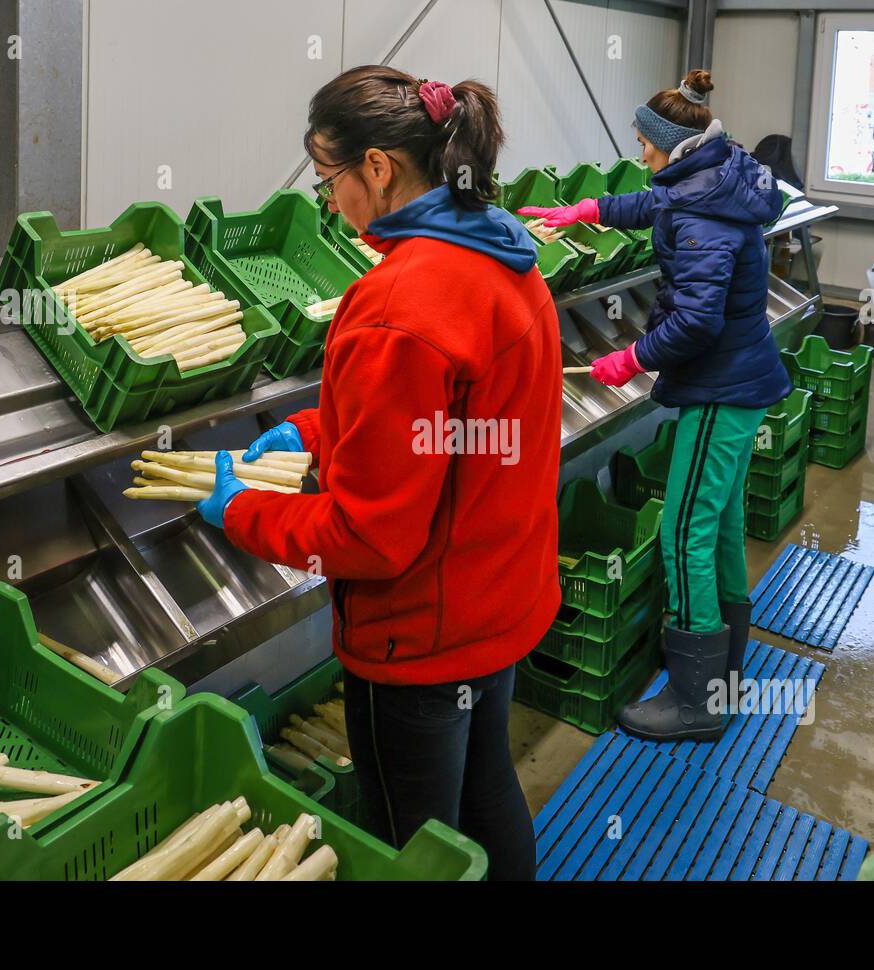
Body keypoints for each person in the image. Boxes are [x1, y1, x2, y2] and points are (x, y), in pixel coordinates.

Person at [195, 66, 562, 880]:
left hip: (420, 634)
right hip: (497, 600)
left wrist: (242, 515)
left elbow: (371, 535)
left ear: (379, 168)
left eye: (329, 180)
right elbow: (457, 429)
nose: (330, 202)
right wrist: (316, 430)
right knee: (485, 792)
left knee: (409, 844)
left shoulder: (399, 302)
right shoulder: (506, 256)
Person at [519, 69, 792, 742]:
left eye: (644, 144)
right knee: (720, 526)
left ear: (671, 145)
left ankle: (697, 701)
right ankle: (725, 667)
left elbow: (696, 322)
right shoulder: (714, 178)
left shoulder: (704, 215)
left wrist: (632, 359)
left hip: (719, 386)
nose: (639, 154)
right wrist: (591, 212)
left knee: (683, 534)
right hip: (744, 379)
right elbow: (660, 205)